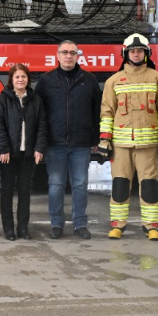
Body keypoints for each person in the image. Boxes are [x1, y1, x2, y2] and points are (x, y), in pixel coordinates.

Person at [100, 34, 158, 241]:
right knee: (120, 184)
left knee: (149, 186)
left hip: (148, 145)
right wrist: (105, 139)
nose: (136, 54)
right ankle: (118, 225)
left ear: (146, 53)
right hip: (121, 145)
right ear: (126, 54)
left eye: (139, 51)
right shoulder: (114, 81)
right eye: (132, 51)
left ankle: (151, 226)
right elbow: (107, 112)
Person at [35, 40, 101, 240]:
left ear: (78, 56)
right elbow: (39, 113)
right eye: (64, 52)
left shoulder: (89, 80)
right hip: (55, 143)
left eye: (73, 52)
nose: (68, 56)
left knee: (80, 184)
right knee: (55, 185)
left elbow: (97, 112)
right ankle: (56, 224)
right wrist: (41, 141)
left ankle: (80, 224)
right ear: (57, 55)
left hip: (81, 143)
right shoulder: (46, 81)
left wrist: (96, 138)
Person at [0, 64, 47, 240]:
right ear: (11, 79)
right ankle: (9, 229)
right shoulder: (3, 99)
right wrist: (4, 149)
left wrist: (39, 148)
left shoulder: (35, 100)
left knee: (25, 192)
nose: (20, 80)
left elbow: (41, 126)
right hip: (8, 155)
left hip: (28, 154)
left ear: (27, 79)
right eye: (17, 77)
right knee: (7, 191)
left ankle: (23, 228)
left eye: (23, 77)